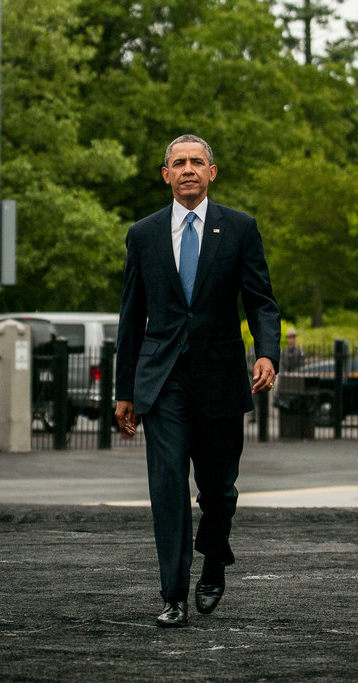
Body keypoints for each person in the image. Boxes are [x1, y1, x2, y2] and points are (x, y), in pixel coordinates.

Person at [115, 134, 280, 628]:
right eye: (179, 163)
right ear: (165, 174)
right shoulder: (142, 234)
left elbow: (261, 300)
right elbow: (131, 315)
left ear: (212, 172)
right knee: (167, 484)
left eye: (197, 162)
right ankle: (173, 594)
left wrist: (267, 352)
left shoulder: (240, 228)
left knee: (219, 489)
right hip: (162, 379)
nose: (188, 169)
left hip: (220, 376)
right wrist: (125, 391)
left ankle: (214, 556)